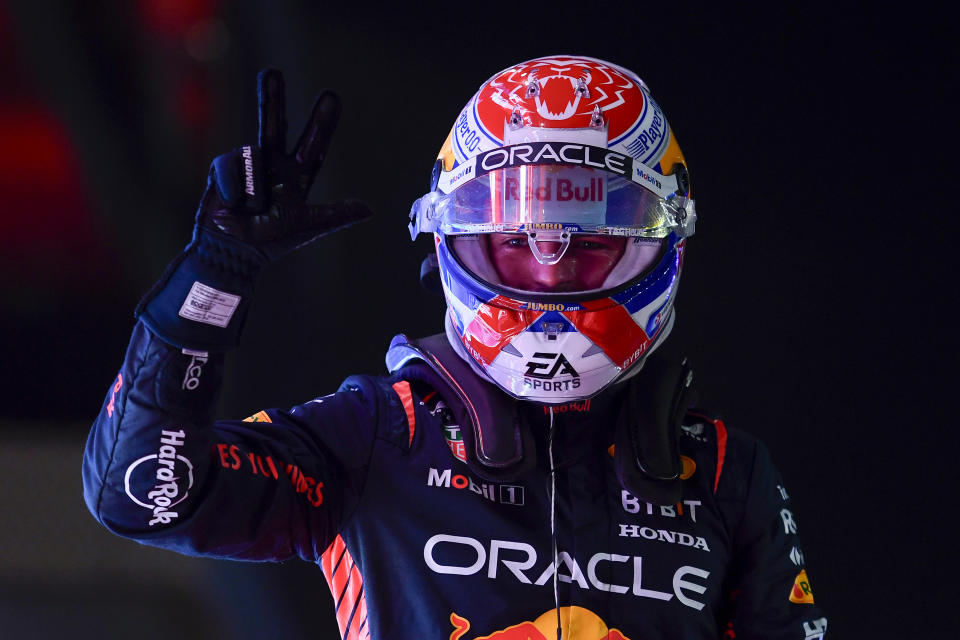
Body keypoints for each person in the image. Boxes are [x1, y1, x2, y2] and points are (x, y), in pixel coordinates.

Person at [83, 55, 827, 639]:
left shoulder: (727, 474)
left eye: (590, 243)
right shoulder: (377, 436)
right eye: (513, 241)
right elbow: (141, 494)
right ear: (449, 244)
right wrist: (212, 279)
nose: (549, 264)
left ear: (660, 246)